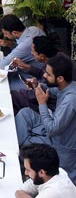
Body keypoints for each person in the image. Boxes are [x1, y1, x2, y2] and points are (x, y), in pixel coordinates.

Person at [15, 53, 76, 182]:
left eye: (48, 74)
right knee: (25, 113)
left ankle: (22, 160)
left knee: (27, 144)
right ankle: (20, 153)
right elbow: (53, 91)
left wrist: (42, 103)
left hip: (60, 147)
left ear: (60, 78)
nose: (44, 75)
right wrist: (38, 86)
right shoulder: (68, 86)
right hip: (53, 132)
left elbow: (52, 129)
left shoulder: (71, 99)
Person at [11, 36, 60, 114]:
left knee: (11, 98)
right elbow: (42, 74)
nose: (31, 53)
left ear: (42, 56)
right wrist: (25, 66)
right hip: (41, 96)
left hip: (48, 107)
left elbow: (36, 95)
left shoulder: (55, 67)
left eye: (33, 51)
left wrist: (16, 94)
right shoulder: (56, 59)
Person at [0, 14, 46, 90]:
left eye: (6, 33)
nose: (5, 36)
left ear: (14, 33)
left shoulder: (26, 45)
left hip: (32, 80)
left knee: (1, 86)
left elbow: (2, 65)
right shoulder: (33, 29)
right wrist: (10, 44)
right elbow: (23, 49)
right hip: (41, 71)